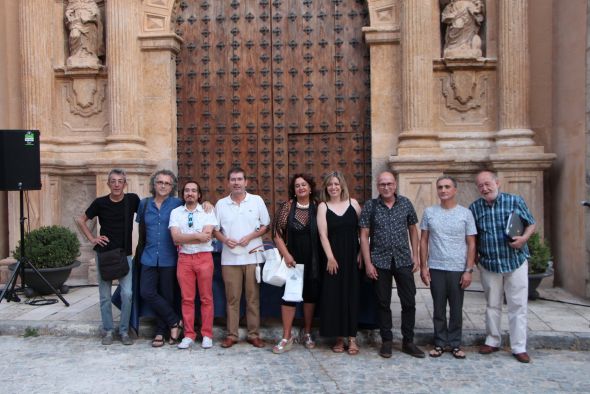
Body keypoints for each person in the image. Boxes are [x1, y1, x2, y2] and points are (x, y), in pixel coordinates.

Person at [469, 170, 536, 363]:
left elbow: (530, 223)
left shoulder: (514, 201)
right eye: (480, 185)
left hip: (515, 260)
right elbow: (473, 236)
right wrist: (475, 259)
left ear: (497, 183)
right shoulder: (475, 207)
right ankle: (492, 340)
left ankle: (519, 347)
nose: (484, 188)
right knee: (492, 304)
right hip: (489, 263)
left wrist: (523, 239)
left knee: (518, 305)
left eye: (487, 183)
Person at [359, 170, 425, 358]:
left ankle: (408, 341)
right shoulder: (371, 206)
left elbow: (413, 230)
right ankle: (386, 341)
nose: (386, 187)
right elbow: (364, 236)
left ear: (395, 185)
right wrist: (368, 263)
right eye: (382, 184)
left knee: (409, 301)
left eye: (389, 184)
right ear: (378, 186)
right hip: (379, 261)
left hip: (403, 259)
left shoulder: (405, 203)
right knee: (382, 302)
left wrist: (416, 256)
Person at [76, 168, 139, 345]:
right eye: (113, 181)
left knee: (127, 293)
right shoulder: (100, 203)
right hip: (104, 255)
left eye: (120, 181)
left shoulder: (132, 200)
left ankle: (124, 330)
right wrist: (92, 238)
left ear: (125, 184)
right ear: (108, 183)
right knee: (104, 296)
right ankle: (109, 330)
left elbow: (151, 208)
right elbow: (81, 220)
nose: (117, 184)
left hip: (124, 254)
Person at [419, 176, 477, 359]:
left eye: (447, 187)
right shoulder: (429, 212)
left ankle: (455, 344)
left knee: (456, 309)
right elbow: (423, 240)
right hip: (436, 267)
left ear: (455, 190)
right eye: (440, 187)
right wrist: (423, 266)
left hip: (457, 268)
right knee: (438, 308)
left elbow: (471, 243)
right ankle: (439, 343)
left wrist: (468, 270)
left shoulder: (465, 214)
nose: (443, 190)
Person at [214, 167, 270, 348]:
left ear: (246, 182)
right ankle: (232, 335)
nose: (236, 182)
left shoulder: (256, 201)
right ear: (228, 182)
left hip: (253, 257)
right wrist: (224, 239)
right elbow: (215, 229)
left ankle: (254, 335)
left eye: (239, 179)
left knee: (253, 299)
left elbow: (265, 226)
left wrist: (250, 237)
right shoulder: (221, 204)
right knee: (232, 299)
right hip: (230, 259)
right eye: (233, 179)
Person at [271, 174, 322, 354]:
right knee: (289, 297)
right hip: (292, 259)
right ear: (294, 189)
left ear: (310, 188)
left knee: (310, 296)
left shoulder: (318, 207)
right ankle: (287, 336)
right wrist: (286, 255)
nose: (301, 188)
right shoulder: (287, 207)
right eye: (297, 185)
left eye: (304, 185)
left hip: (314, 259)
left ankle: (307, 332)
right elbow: (277, 234)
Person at [136, 169, 183, 347]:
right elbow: (142, 231)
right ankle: (174, 321)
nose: (163, 186)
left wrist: (208, 203)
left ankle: (160, 332)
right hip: (148, 256)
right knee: (146, 292)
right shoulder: (144, 204)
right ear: (154, 185)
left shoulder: (178, 204)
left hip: (169, 257)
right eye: (160, 182)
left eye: (167, 183)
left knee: (167, 295)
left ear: (172, 187)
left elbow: (196, 207)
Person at [317, 171, 362, 355]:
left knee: (352, 294)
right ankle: (339, 338)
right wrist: (330, 257)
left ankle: (352, 338)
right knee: (335, 296)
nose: (333, 187)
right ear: (326, 188)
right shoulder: (323, 207)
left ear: (342, 185)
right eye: (330, 185)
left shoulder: (354, 204)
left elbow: (363, 231)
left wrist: (361, 253)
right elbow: (323, 234)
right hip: (332, 258)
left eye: (336, 184)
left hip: (352, 255)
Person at [169, 180, 218, 349]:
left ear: (199, 195)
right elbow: (175, 238)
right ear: (183, 194)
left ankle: (207, 334)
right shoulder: (176, 213)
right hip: (184, 259)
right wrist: (196, 236)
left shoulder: (208, 211)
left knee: (206, 298)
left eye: (193, 191)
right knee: (187, 299)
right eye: (187, 190)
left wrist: (186, 236)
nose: (190, 193)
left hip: (204, 257)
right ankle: (189, 335)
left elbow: (207, 235)